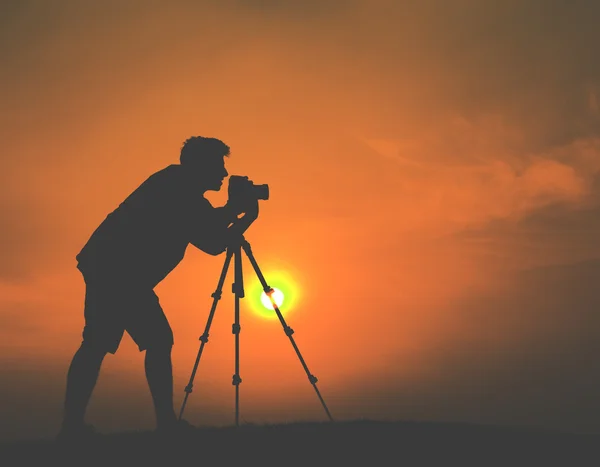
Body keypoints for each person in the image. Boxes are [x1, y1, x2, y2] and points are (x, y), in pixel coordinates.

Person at [58, 136, 258, 440]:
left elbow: (213, 242)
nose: (224, 173)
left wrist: (242, 216)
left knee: (110, 343)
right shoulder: (175, 187)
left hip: (116, 270)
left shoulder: (181, 188)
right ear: (200, 165)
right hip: (115, 270)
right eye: (218, 165)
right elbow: (209, 232)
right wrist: (237, 211)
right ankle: (152, 424)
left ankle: (76, 427)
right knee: (125, 341)